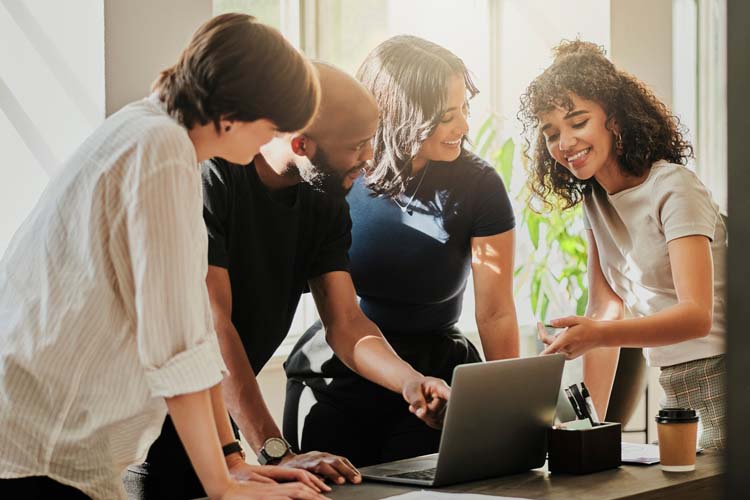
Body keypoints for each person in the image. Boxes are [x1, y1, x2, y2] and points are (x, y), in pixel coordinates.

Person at [0, 13, 329, 500]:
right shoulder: (161, 151)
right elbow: (174, 347)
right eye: (272, 126)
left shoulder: (148, 130)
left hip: (42, 438)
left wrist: (231, 460)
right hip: (40, 448)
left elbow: (193, 328)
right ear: (236, 107)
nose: (269, 141)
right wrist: (222, 485)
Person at [124, 62, 452, 500]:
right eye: (358, 146)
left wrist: (411, 382)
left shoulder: (325, 197)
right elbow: (212, 326)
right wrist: (275, 453)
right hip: (149, 438)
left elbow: (347, 324)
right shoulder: (210, 179)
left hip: (225, 442)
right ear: (301, 143)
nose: (370, 157)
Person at [284, 35, 519, 467]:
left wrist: (513, 413)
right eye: (447, 116)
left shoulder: (480, 185)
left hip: (435, 384)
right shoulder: (335, 175)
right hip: (339, 371)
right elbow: (340, 318)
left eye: (464, 108)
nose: (464, 127)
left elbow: (496, 313)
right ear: (401, 114)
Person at [520, 40, 726, 449]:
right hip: (678, 383)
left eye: (578, 122)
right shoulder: (594, 200)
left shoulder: (673, 188)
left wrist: (597, 334)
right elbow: (605, 311)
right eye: (551, 132)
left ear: (614, 120)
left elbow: (696, 316)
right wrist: (590, 429)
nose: (564, 143)